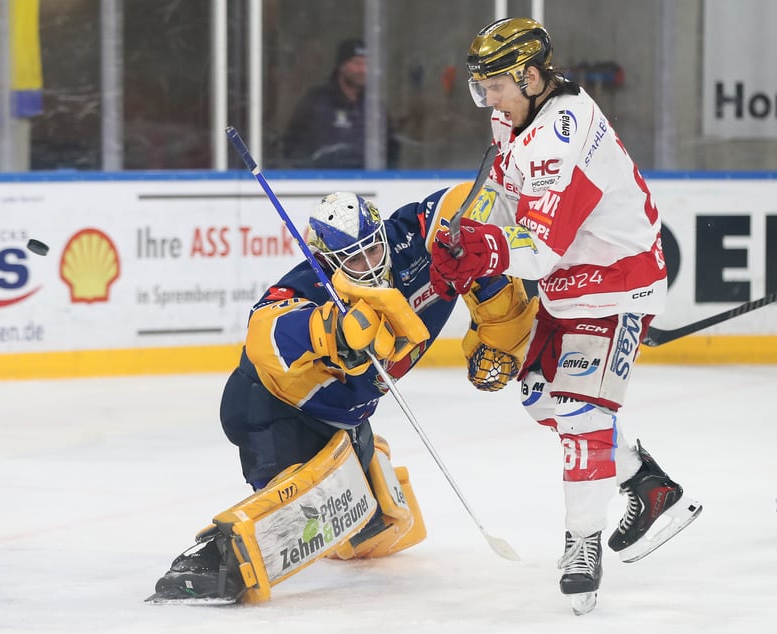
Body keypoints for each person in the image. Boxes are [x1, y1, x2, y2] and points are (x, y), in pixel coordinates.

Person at [429, 17, 703, 615]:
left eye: (495, 85)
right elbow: (503, 191)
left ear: (531, 76)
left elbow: (541, 246)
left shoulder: (562, 138)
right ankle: (648, 485)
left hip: (617, 282)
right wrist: (467, 237)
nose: (487, 98)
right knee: (536, 394)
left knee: (580, 412)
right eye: (481, 86)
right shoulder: (514, 111)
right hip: (564, 284)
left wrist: (488, 252)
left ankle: (583, 545)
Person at [147, 184, 536, 604]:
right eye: (354, 258)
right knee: (303, 508)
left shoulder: (415, 238)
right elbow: (265, 336)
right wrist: (330, 329)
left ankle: (357, 462)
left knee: (382, 526)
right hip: (275, 411)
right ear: (327, 260)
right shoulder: (309, 287)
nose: (370, 265)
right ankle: (212, 559)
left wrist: (499, 330)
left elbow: (466, 202)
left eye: (373, 248)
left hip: (348, 417)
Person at [281, 38, 400, 169]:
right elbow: (292, 147)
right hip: (322, 184)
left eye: (367, 64)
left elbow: (391, 151)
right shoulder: (316, 102)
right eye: (357, 63)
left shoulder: (375, 107)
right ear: (341, 66)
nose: (363, 70)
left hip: (366, 185)